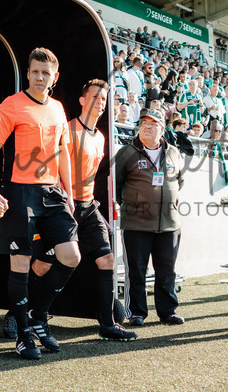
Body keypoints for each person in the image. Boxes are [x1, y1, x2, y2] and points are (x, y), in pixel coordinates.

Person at [0, 47, 78, 359]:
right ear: (28, 73)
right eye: (35, 71)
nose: (39, 77)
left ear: (55, 77)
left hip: (52, 194)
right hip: (19, 192)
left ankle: (38, 316)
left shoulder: (59, 108)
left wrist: (70, 192)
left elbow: (63, 153)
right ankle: (23, 335)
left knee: (71, 256)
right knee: (21, 265)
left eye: (45, 73)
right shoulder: (10, 106)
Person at [69, 79, 138, 340]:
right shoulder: (69, 130)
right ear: (82, 100)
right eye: (95, 97)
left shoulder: (100, 137)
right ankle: (21, 315)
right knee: (43, 265)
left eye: (104, 99)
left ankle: (107, 324)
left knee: (106, 260)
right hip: (64, 205)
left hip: (88, 206)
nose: (100, 102)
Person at [115, 108, 185, 327]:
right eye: (143, 124)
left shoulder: (174, 152)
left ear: (161, 129)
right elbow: (116, 186)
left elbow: (180, 181)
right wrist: (133, 204)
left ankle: (168, 312)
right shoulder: (126, 152)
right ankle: (137, 312)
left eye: (152, 124)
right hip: (136, 223)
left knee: (167, 271)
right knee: (136, 271)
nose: (147, 127)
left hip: (169, 223)